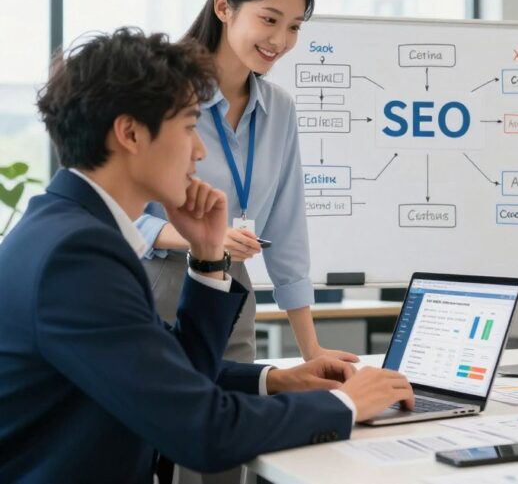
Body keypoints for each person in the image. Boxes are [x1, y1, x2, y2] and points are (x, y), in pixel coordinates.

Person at [0, 28, 415, 482]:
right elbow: (203, 432)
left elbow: (169, 368)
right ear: (130, 133)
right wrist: (348, 403)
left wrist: (273, 375)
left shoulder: (66, 229)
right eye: (188, 128)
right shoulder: (77, 257)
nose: (199, 152)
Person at [134, 0, 348, 367]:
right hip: (156, 283)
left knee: (235, 419)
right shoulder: (160, 91)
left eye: (293, 27)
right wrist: (201, 239)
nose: (280, 41)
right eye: (269, 19)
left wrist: (312, 352)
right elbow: (119, 212)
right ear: (223, 7)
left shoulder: (280, 109)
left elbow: (287, 232)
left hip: (234, 289)